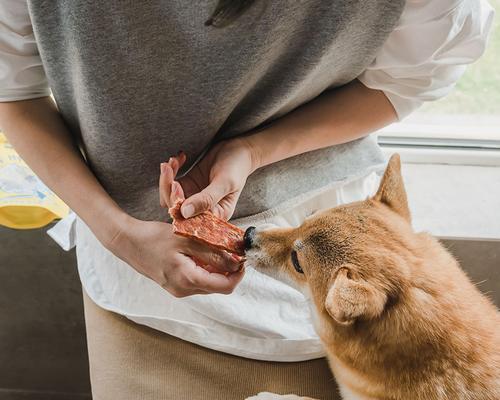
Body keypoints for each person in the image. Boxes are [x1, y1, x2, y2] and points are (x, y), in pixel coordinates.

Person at [0, 0, 493, 399]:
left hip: (331, 300)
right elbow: (12, 90)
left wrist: (253, 150)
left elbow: (406, 80)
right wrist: (118, 233)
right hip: (139, 292)